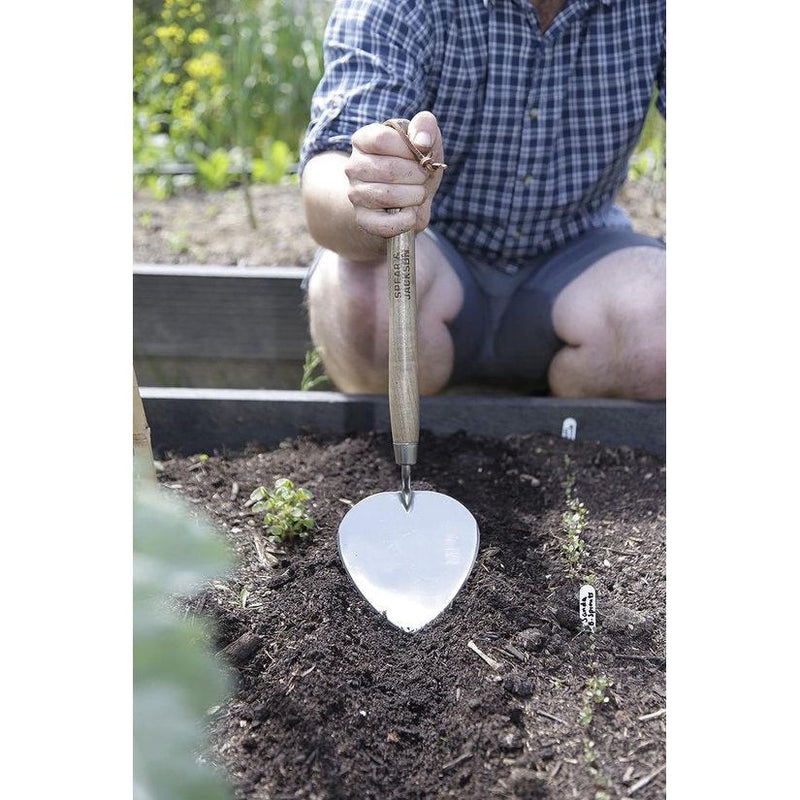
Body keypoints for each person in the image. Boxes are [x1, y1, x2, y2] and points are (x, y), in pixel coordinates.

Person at [299, 0, 666, 399]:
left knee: (667, 329)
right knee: (366, 300)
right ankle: (407, 439)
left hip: (579, 253)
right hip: (435, 249)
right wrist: (374, 196)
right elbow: (331, 169)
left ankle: (568, 435)